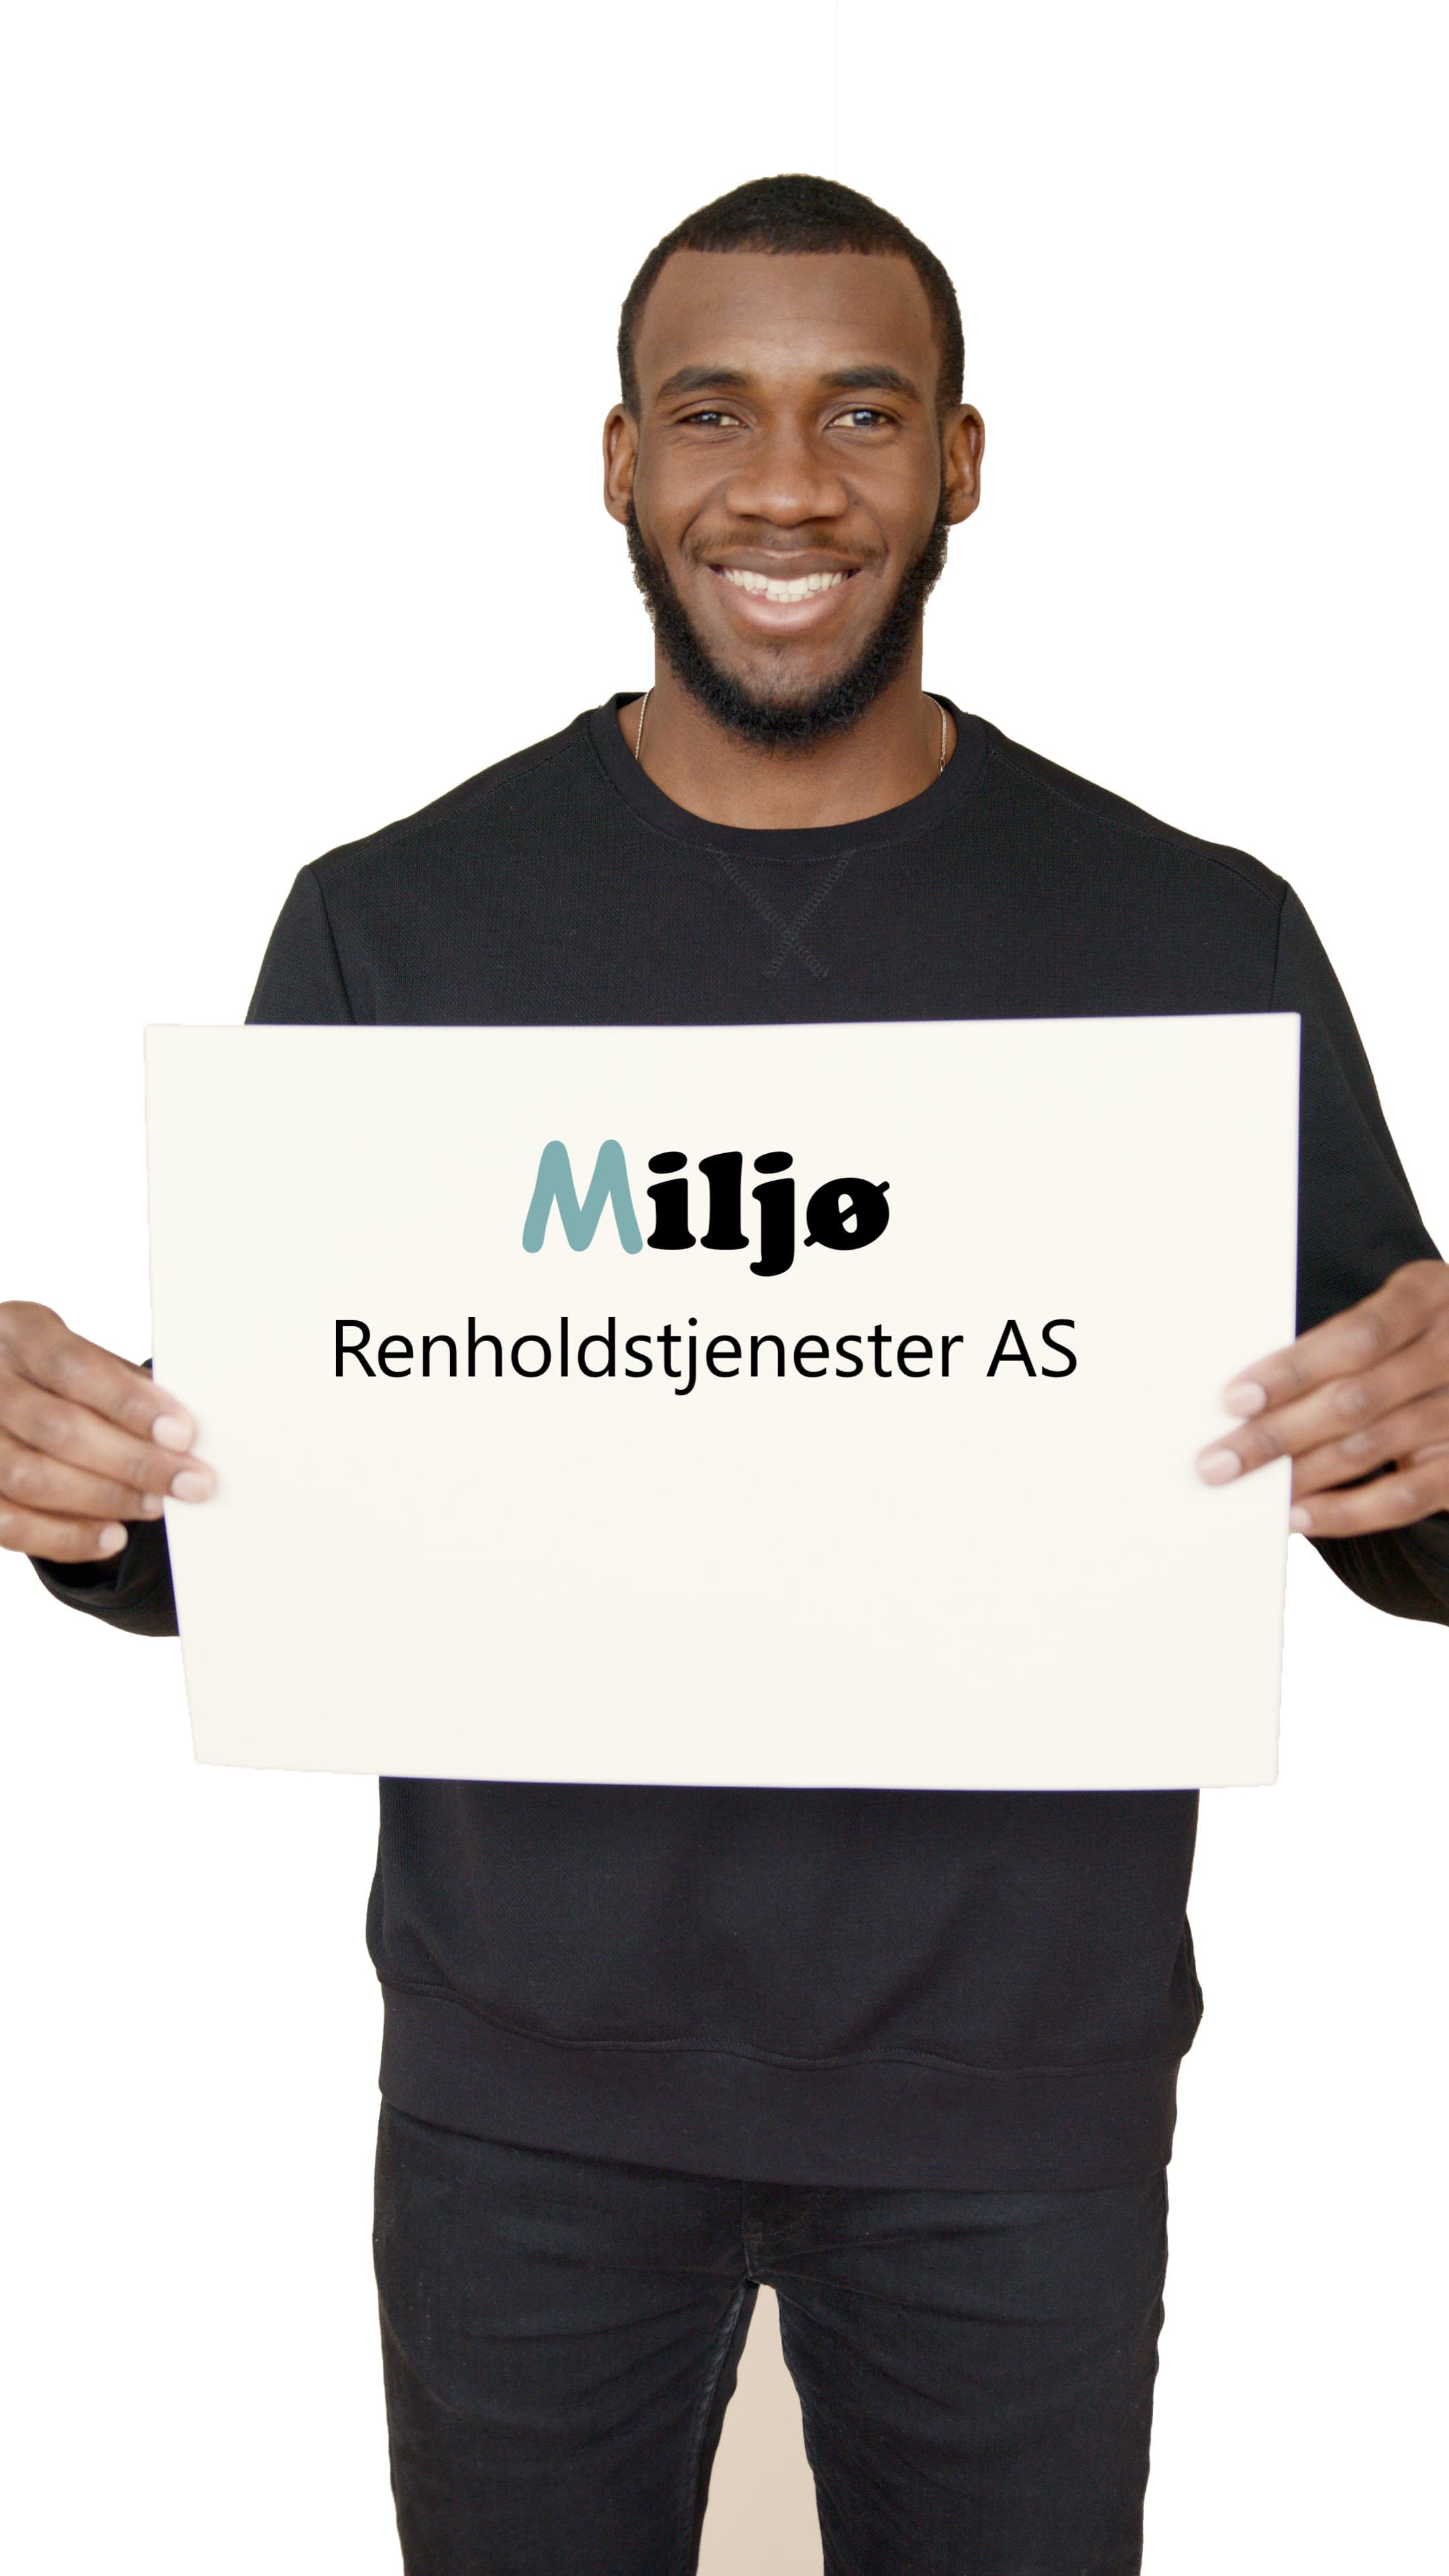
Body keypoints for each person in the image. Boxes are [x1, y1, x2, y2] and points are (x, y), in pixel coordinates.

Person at [2, 172, 1446, 2576]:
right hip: (524, 2104)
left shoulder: (1199, 934)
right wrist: (81, 1475)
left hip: (1024, 2104)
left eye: (859, 413)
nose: (786, 485)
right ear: (618, 462)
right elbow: (277, 1512)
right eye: (716, 413)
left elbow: (1402, 1519)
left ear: (962, 463)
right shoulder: (397, 920)